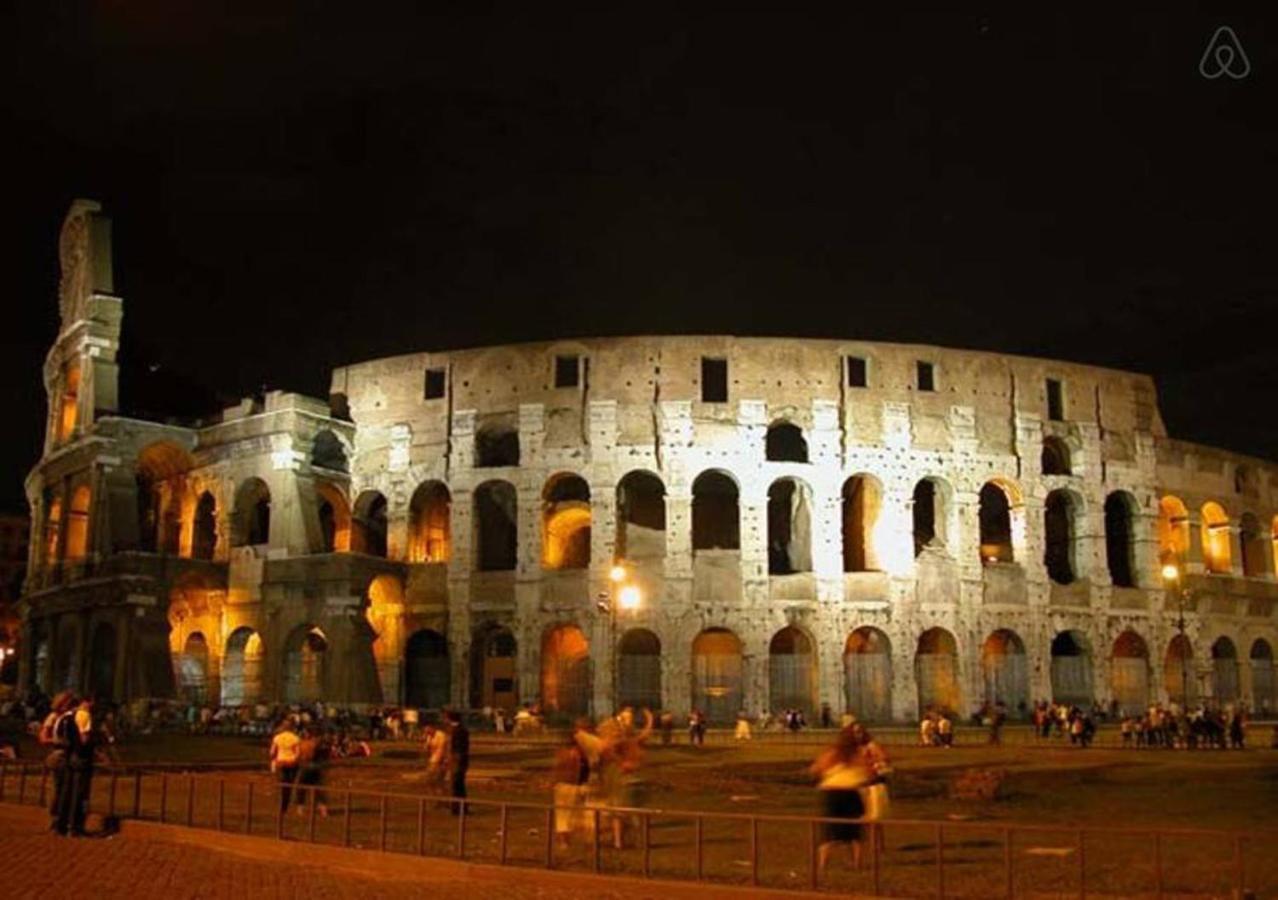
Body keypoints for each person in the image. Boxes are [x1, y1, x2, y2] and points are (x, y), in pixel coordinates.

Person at [810, 725, 873, 879]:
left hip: (832, 793)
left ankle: (822, 865)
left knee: (829, 831)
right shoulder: (858, 753)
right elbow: (868, 773)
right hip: (851, 792)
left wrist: (829, 773)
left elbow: (816, 769)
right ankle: (856, 863)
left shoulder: (833, 752)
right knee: (854, 832)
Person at [551, 731, 590, 849]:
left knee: (564, 815)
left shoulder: (563, 754)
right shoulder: (580, 755)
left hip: (565, 786)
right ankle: (567, 841)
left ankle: (565, 841)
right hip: (573, 786)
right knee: (572, 815)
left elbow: (557, 770)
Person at [295, 727, 330, 818]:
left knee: (301, 789)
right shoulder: (321, 744)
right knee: (319, 789)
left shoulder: (303, 743)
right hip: (318, 767)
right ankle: (323, 810)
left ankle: (300, 809)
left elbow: (298, 755)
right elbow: (326, 756)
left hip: (305, 766)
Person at [269, 719, 302, 814]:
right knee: (290, 784)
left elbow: (272, 752)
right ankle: (289, 801)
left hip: (281, 762)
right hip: (292, 762)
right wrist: (294, 760)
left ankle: (284, 805)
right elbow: (298, 753)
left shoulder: (277, 738)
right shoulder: (295, 738)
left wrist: (274, 760)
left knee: (284, 784)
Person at [446, 710, 469, 815]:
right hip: (460, 760)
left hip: (457, 760)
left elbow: (456, 748)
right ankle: (461, 807)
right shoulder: (462, 730)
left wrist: (453, 760)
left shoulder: (456, 731)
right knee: (460, 785)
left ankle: (456, 808)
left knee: (455, 785)